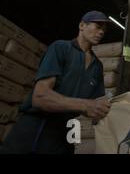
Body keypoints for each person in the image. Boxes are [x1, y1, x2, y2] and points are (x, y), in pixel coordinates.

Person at [0, 11, 112, 154]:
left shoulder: (97, 66)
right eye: (98, 26)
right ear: (82, 25)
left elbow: (96, 105)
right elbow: (40, 97)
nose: (101, 32)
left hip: (67, 130)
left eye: (104, 30)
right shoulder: (61, 48)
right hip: (39, 125)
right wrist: (85, 105)